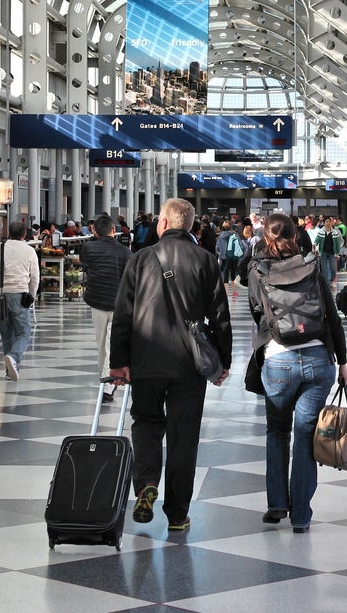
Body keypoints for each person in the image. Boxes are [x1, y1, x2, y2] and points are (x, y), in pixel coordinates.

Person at [108, 198, 232, 534]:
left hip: (146, 357)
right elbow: (220, 316)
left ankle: (146, 483)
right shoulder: (206, 261)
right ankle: (177, 513)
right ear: (190, 225)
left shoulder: (141, 259)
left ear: (163, 222)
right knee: (184, 435)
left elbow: (123, 314)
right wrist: (224, 361)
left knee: (146, 423)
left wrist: (119, 362)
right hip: (189, 362)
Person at [245, 213, 347, 533]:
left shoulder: (257, 269)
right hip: (319, 359)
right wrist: (343, 362)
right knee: (306, 437)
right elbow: (331, 315)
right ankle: (302, 516)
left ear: (266, 237)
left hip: (278, 359)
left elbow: (256, 312)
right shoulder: (311, 265)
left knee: (277, 432)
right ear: (296, 235)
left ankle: (277, 503)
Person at [0, 220, 40, 383]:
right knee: (24, 332)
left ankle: (9, 370)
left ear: (9, 233)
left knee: (6, 334)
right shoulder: (29, 251)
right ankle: (13, 357)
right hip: (20, 294)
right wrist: (32, 295)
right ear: (24, 234)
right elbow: (35, 277)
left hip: (1, 294)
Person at [83, 214, 132, 402]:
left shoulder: (88, 248)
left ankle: (106, 382)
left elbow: (86, 267)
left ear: (95, 231)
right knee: (113, 343)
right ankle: (108, 385)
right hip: (119, 304)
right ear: (114, 230)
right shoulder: (125, 252)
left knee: (101, 344)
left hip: (97, 302)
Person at [215, 220, 242, 292]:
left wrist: (220, 253)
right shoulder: (235, 235)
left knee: (224, 273)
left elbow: (217, 247)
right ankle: (234, 290)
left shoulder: (220, 236)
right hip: (234, 256)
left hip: (224, 256)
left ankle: (225, 291)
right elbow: (240, 245)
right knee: (234, 273)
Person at [314, 216, 341, 287]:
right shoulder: (321, 231)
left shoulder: (335, 232)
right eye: (326, 221)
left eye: (329, 221)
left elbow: (337, 244)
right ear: (324, 223)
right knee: (324, 269)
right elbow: (317, 240)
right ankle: (326, 284)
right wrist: (314, 244)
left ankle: (331, 280)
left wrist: (338, 254)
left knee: (333, 269)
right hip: (323, 253)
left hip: (332, 253)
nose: (328, 223)